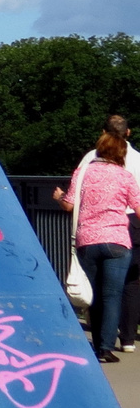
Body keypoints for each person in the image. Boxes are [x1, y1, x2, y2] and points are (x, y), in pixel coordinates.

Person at [56, 127, 140, 362]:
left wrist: (59, 197)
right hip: (117, 242)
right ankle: (105, 347)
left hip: (88, 241)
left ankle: (96, 344)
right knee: (112, 294)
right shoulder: (125, 176)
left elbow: (69, 205)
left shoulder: (83, 173)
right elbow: (138, 207)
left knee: (93, 294)